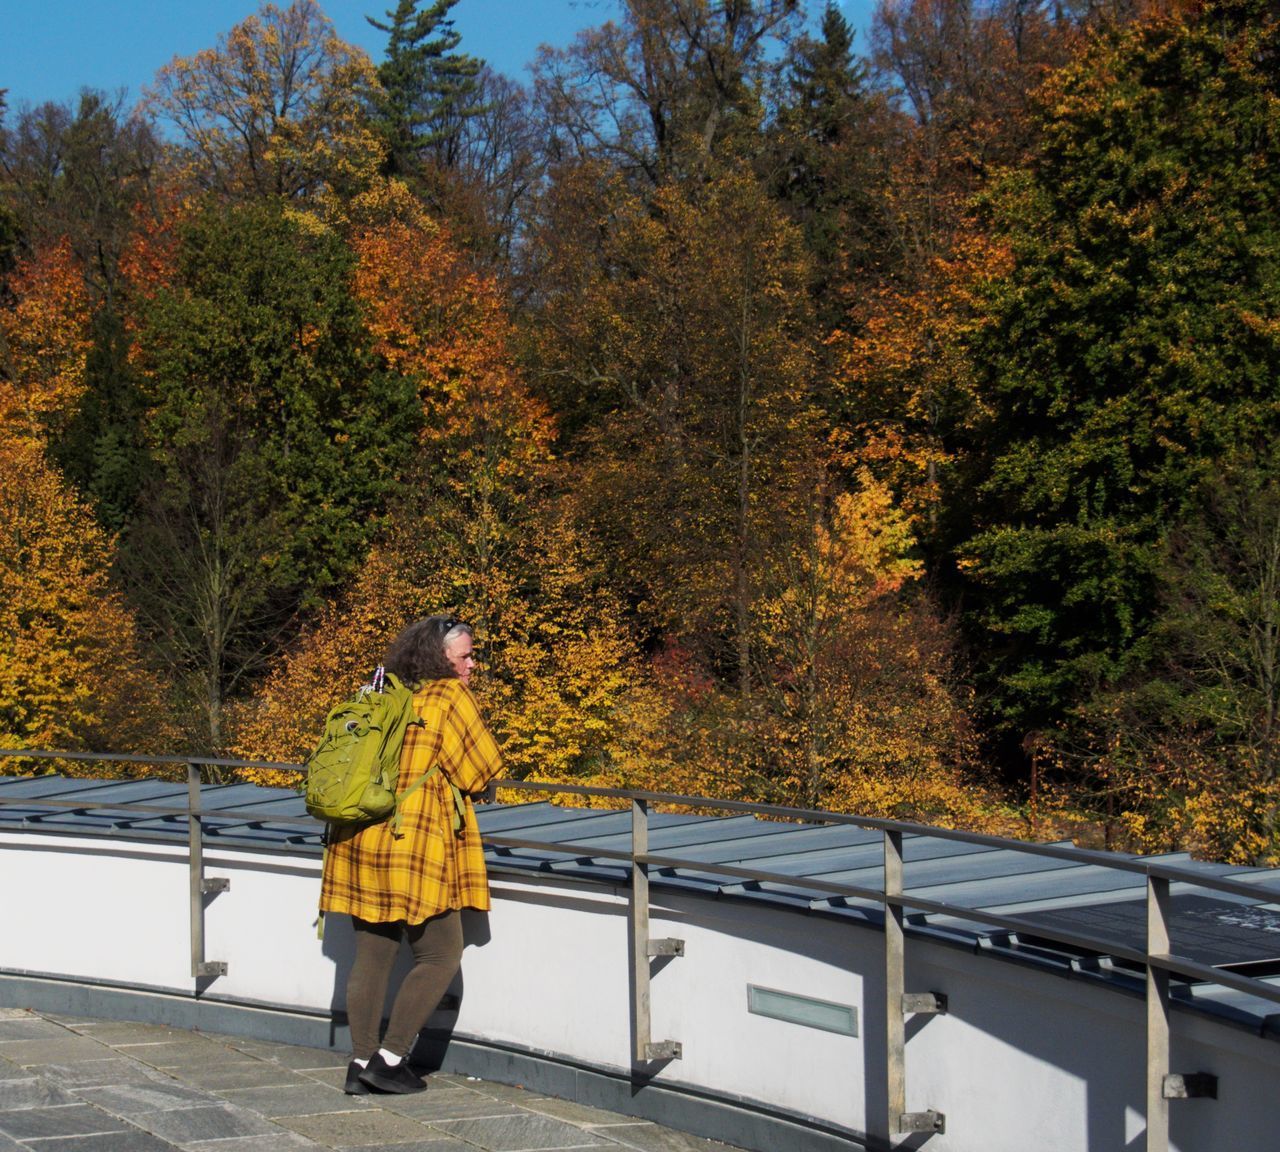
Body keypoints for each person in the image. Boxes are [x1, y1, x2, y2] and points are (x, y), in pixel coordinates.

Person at [319, 615, 502, 1095]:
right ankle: (391, 1057)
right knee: (441, 954)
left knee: (373, 954)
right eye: (465, 656)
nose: (472, 665)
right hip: (413, 842)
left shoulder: (385, 691)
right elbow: (480, 770)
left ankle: (359, 1064)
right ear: (441, 657)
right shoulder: (449, 697)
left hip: (359, 837)